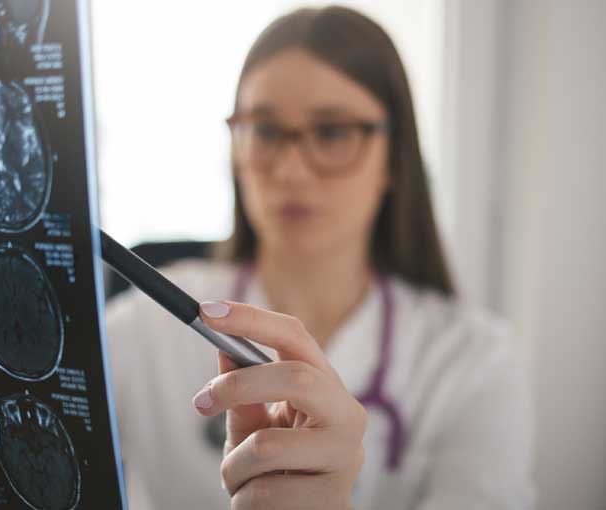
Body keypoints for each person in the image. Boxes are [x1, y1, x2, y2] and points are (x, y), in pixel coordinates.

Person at [105, 6, 533, 509]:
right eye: (264, 131)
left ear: (396, 158)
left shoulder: (473, 364)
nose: (290, 170)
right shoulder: (142, 328)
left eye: (331, 133)